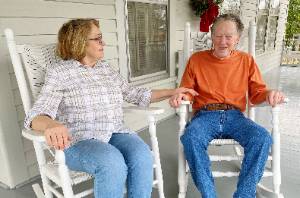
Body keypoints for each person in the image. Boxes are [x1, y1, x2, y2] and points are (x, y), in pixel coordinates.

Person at [24, 18, 197, 198]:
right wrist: (50, 125)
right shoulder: (60, 72)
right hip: (79, 140)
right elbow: (36, 115)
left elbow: (134, 94)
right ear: (79, 42)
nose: (103, 43)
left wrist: (173, 91)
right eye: (97, 38)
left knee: (142, 156)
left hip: (114, 132)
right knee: (112, 163)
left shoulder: (106, 69)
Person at [169, 14, 285, 198]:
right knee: (191, 138)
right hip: (205, 116)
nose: (223, 41)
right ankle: (209, 194)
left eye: (229, 37)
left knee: (261, 138)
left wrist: (269, 93)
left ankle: (244, 195)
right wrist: (180, 96)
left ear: (237, 38)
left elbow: (257, 93)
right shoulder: (197, 59)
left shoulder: (246, 61)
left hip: (235, 117)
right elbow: (187, 91)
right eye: (218, 35)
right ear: (211, 35)